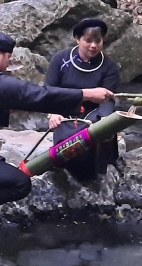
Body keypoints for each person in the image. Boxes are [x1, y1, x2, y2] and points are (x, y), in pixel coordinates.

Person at [0, 31, 114, 229]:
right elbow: (41, 95)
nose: (8, 64)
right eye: (8, 58)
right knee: (20, 183)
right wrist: (87, 94)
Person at [45, 18, 123, 181]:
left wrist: (105, 124)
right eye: (88, 41)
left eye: (98, 41)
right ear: (77, 39)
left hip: (94, 115)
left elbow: (108, 100)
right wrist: (52, 113)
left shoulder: (109, 67)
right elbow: (49, 91)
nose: (93, 46)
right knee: (66, 149)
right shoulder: (60, 60)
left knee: (94, 136)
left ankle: (95, 176)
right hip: (65, 114)